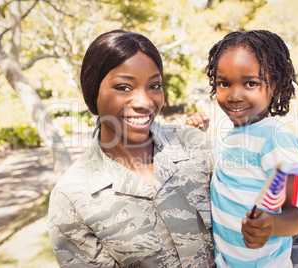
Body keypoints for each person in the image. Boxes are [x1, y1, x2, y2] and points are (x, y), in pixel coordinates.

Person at [48, 30, 216, 267]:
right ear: (92, 91)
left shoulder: (197, 146)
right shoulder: (72, 197)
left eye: (154, 85)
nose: (145, 102)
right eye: (124, 87)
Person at [186, 30, 298, 267]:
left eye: (251, 83)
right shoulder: (235, 134)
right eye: (224, 83)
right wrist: (199, 136)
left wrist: (272, 224)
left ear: (276, 85)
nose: (234, 95)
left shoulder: (275, 139)